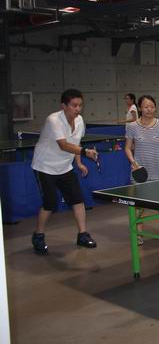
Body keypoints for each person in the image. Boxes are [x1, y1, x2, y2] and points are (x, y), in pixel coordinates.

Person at [31, 88, 99, 254]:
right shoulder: (53, 120)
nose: (78, 109)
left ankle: (82, 234)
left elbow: (75, 143)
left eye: (80, 105)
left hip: (65, 167)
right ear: (64, 106)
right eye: (74, 105)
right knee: (50, 202)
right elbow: (63, 145)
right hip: (45, 167)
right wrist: (85, 152)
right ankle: (38, 236)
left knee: (78, 200)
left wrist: (79, 163)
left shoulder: (80, 120)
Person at [124, 95, 159, 244]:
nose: (149, 109)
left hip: (158, 168)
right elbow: (127, 148)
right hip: (140, 170)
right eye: (146, 107)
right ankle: (139, 234)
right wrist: (133, 162)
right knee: (139, 204)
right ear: (140, 108)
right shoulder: (132, 126)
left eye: (152, 106)